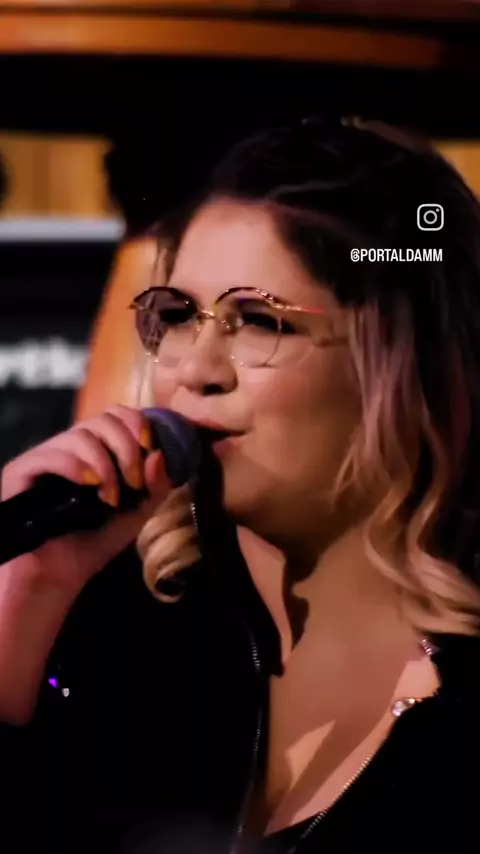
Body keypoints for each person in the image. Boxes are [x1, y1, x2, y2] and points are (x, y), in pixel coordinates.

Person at [1, 116, 480, 854]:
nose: (196, 370)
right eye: (177, 316)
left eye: (258, 321)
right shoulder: (115, 622)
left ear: (407, 361)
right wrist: (25, 596)